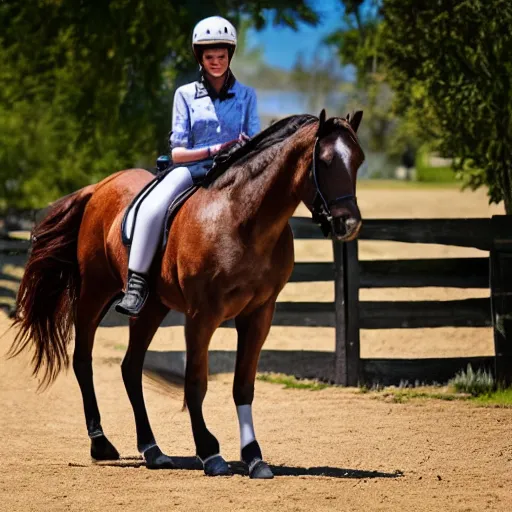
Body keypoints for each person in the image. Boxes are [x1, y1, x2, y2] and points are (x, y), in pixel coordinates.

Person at [116, 16, 260, 317]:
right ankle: (137, 284)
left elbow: (256, 142)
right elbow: (178, 152)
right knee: (153, 206)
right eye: (210, 57)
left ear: (230, 55)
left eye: (221, 56)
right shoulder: (184, 95)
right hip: (192, 169)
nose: (216, 62)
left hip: (235, 172)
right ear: (200, 57)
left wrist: (246, 146)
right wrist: (215, 149)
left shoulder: (247, 96)